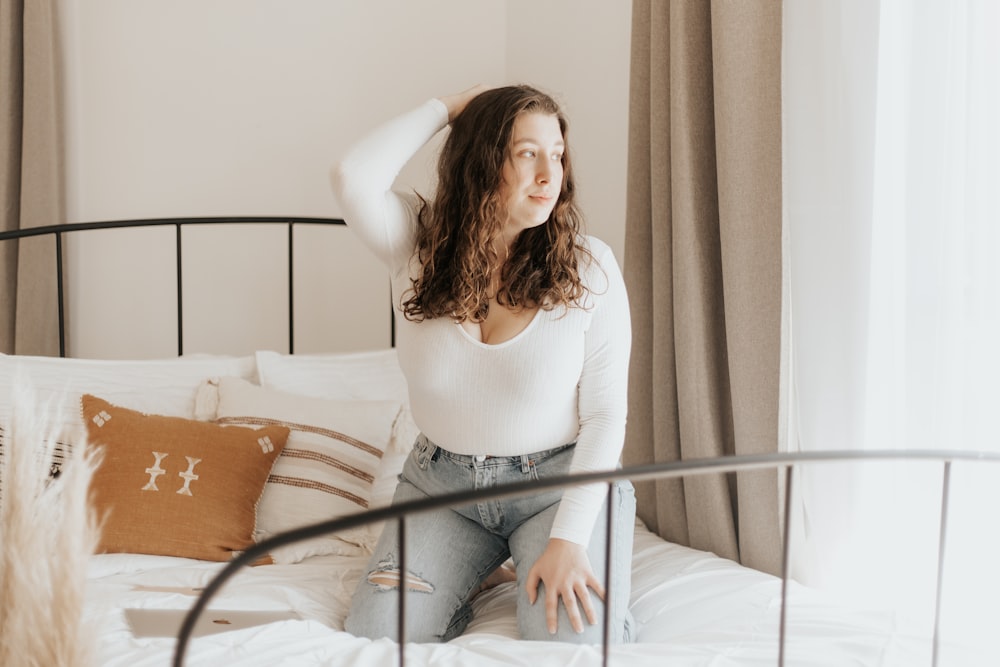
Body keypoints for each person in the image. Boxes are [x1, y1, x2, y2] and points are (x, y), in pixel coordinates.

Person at [330, 84, 635, 644]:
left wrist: (568, 540)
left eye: (558, 154)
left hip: (558, 484)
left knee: (567, 643)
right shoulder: (415, 243)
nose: (550, 175)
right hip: (442, 488)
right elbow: (351, 176)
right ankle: (481, 564)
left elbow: (606, 416)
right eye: (527, 153)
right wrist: (445, 109)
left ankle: (537, 550)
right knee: (379, 634)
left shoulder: (591, 268)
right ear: (480, 160)